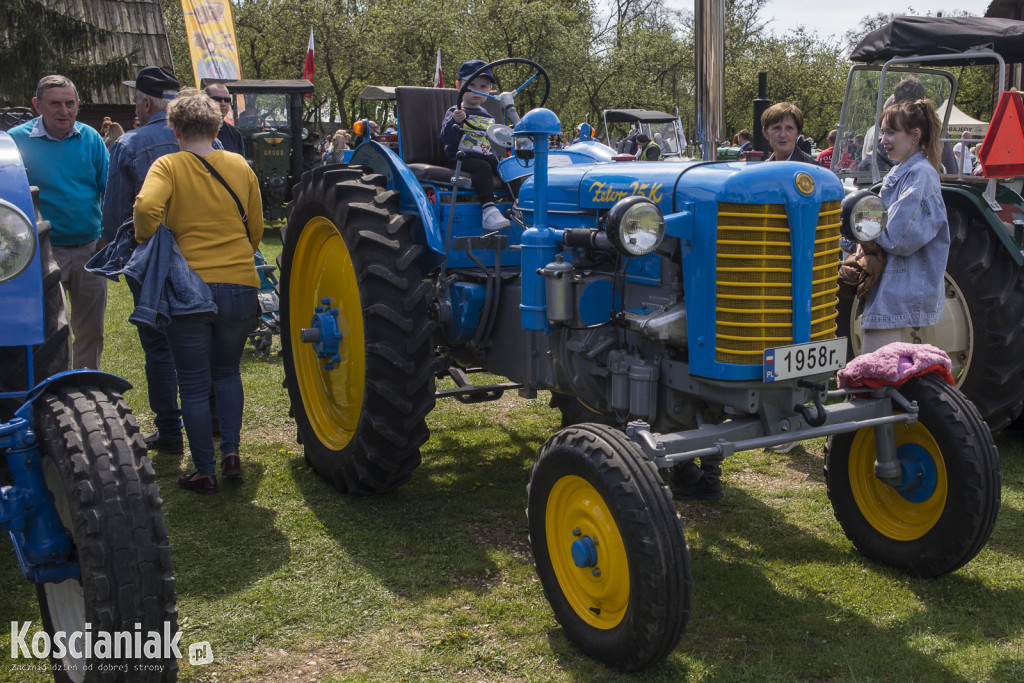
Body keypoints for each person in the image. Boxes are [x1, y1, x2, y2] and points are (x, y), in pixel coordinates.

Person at [134, 88, 264, 494]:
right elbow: (256, 226)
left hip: (188, 287)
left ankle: (203, 470)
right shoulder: (240, 165)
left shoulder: (168, 165)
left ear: (174, 127)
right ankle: (232, 454)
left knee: (192, 382)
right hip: (239, 283)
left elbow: (144, 211)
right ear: (217, 124)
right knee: (227, 373)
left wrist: (147, 237)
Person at [102, 65, 186, 454]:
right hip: (200, 256)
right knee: (203, 343)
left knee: (158, 348)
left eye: (136, 100)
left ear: (147, 101)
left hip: (150, 259)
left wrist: (118, 259)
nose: (135, 108)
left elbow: (119, 214)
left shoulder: (130, 143)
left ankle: (169, 431)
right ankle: (215, 423)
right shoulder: (207, 140)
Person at [9, 75, 109, 370]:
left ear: (78, 105)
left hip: (90, 250)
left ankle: (86, 384)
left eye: (70, 104)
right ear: (37, 105)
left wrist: (106, 236)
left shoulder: (90, 138)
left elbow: (109, 187)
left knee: (91, 329)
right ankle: (55, 389)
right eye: (55, 104)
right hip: (41, 253)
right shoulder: (15, 140)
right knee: (50, 331)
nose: (63, 111)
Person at [857, 98, 949, 354]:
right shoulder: (903, 172)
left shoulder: (920, 174)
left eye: (891, 132)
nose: (883, 139)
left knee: (875, 374)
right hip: (891, 290)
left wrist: (858, 227)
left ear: (915, 135)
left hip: (898, 291)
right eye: (882, 132)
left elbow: (897, 236)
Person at [439, 59, 510, 230]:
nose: (477, 91)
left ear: (490, 90)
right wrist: (455, 122)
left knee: (507, 166)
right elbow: (446, 138)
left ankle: (518, 203)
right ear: (459, 86)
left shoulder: (488, 116)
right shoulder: (455, 112)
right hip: (461, 158)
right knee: (483, 167)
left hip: (484, 156)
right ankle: (488, 210)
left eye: (483, 86)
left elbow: (491, 143)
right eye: (471, 85)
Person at [203, 83, 244, 154]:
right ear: (204, 101)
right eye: (217, 99)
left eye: (227, 99)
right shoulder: (194, 130)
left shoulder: (234, 133)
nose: (223, 103)